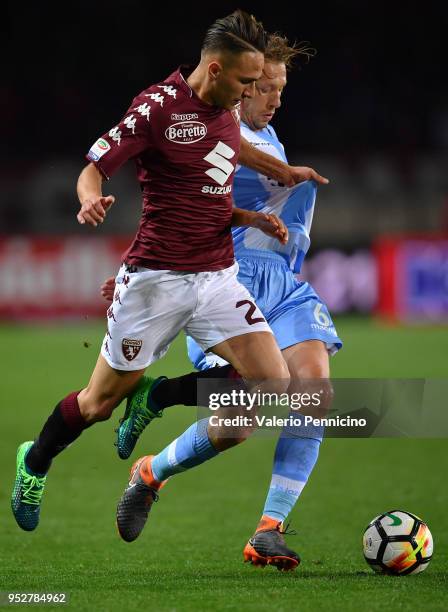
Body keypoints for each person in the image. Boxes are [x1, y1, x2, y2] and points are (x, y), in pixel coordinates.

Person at [11, 10, 328, 534]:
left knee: (272, 380)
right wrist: (90, 201)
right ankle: (35, 460)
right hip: (155, 281)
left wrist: (278, 179)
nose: (252, 92)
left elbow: (232, 146)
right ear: (214, 69)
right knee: (97, 404)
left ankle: (156, 404)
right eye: (248, 81)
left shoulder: (225, 109)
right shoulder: (157, 109)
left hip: (217, 278)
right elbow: (94, 166)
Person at [110, 33, 341, 571]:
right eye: (264, 87)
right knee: (237, 425)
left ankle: (269, 529)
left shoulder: (266, 132)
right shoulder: (216, 133)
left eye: (280, 87)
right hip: (223, 283)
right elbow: (173, 198)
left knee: (315, 391)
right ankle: (150, 471)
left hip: (280, 284)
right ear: (237, 86)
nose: (275, 97)